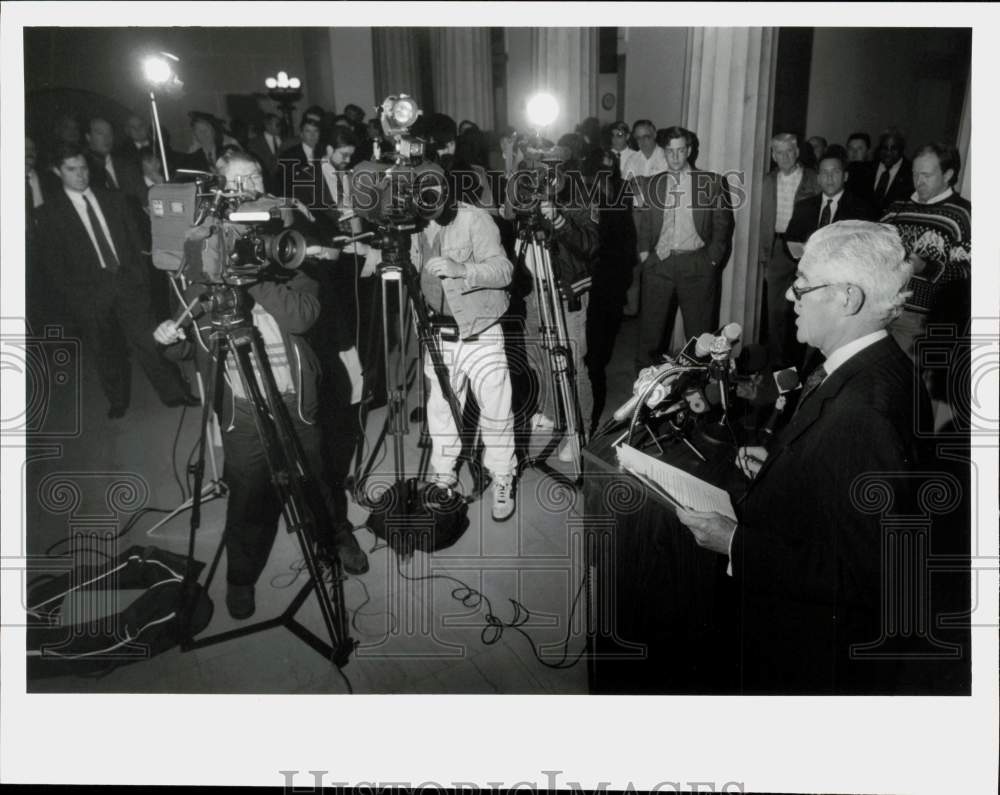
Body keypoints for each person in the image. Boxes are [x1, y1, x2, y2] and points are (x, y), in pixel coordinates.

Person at [678, 220, 931, 694]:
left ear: (848, 299)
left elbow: (860, 577)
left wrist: (734, 542)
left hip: (808, 653)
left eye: (803, 285)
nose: (791, 296)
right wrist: (781, 460)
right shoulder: (869, 362)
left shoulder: (866, 413)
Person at [152, 150, 369, 620]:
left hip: (296, 397)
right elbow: (186, 342)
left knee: (317, 477)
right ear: (220, 193)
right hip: (243, 409)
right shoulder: (205, 261)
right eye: (237, 180)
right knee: (249, 497)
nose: (249, 185)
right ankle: (240, 577)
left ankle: (335, 535)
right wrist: (170, 339)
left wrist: (250, 276)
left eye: (255, 176)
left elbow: (303, 315)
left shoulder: (289, 249)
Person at [35, 143, 195, 418]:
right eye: (71, 169)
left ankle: (175, 393)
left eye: (83, 167)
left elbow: (135, 242)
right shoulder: (50, 213)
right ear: (57, 171)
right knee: (106, 350)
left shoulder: (114, 198)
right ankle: (118, 400)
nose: (80, 175)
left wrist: (141, 279)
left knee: (151, 343)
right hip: (90, 293)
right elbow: (54, 265)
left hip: (128, 284)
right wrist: (77, 298)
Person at [404, 166, 519, 522]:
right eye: (421, 191)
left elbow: (504, 271)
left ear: (448, 190)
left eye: (435, 189)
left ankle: (502, 476)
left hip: (479, 329)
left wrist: (462, 269)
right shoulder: (413, 225)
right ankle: (444, 473)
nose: (429, 198)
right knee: (441, 409)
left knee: (495, 409)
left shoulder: (475, 220)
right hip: (437, 333)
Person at [514, 151, 599, 460]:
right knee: (540, 357)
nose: (541, 176)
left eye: (548, 169)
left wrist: (559, 219)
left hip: (567, 291)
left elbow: (590, 245)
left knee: (572, 361)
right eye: (534, 169)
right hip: (535, 290)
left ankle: (581, 429)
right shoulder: (526, 190)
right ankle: (551, 412)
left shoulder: (581, 196)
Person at [635, 126, 734, 368]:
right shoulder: (651, 184)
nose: (676, 157)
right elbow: (645, 223)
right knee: (650, 337)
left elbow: (723, 227)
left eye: (681, 150)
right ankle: (646, 395)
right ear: (664, 152)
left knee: (700, 340)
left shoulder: (711, 182)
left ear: (689, 150)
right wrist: (645, 255)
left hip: (697, 264)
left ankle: (696, 393)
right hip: (659, 265)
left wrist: (711, 261)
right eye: (670, 151)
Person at [880, 142, 970, 357]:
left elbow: (967, 273)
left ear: (948, 175)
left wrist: (926, 268)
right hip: (883, 310)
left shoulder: (961, 216)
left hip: (922, 320)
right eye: (914, 174)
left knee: (902, 384)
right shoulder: (897, 208)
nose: (918, 182)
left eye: (926, 175)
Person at [759, 132, 820, 368]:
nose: (784, 156)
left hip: (806, 248)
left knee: (805, 305)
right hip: (776, 246)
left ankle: (801, 363)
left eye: (788, 151)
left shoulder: (812, 179)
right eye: (778, 152)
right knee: (775, 311)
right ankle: (776, 363)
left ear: (796, 153)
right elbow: (763, 219)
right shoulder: (768, 180)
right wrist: (764, 255)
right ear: (773, 155)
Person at [785, 147, 877, 247]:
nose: (829, 177)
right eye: (824, 172)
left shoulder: (861, 209)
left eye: (835, 172)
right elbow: (790, 241)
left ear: (845, 176)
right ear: (818, 178)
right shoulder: (803, 207)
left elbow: (866, 246)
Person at [871, 129, 913, 214]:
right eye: (884, 148)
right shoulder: (866, 169)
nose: (888, 153)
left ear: (902, 150)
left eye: (893, 148)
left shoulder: (911, 173)